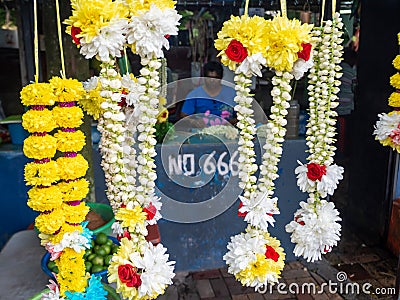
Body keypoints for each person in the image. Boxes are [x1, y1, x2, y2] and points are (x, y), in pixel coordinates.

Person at [180, 61, 237, 128]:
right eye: (209, 78)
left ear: (221, 78)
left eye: (216, 78)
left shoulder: (232, 93)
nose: (212, 81)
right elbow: (184, 115)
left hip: (227, 133)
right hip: (201, 133)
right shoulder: (194, 94)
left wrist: (230, 122)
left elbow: (242, 116)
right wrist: (194, 122)